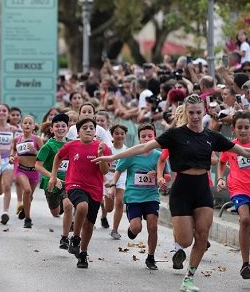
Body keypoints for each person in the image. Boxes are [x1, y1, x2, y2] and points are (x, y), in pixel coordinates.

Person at [93, 94, 250, 291]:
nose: (195, 117)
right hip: (182, 190)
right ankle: (185, 236)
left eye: (198, 113)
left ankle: (189, 278)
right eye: (191, 113)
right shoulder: (175, 135)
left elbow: (244, 151)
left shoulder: (212, 137)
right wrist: (112, 156)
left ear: (204, 112)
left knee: (202, 236)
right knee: (185, 240)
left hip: (202, 190)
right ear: (185, 112)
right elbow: (143, 146)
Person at [48, 118, 111, 269]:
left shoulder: (102, 147)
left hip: (95, 189)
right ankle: (75, 238)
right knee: (82, 207)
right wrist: (53, 176)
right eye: (85, 128)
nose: (88, 130)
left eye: (91, 128)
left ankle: (83, 254)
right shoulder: (71, 145)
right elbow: (58, 157)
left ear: (95, 132)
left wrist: (101, 157)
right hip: (74, 185)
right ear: (78, 131)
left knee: (89, 225)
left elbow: (105, 171)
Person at [112, 123, 166, 270]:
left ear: (155, 137)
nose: (147, 139)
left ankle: (151, 257)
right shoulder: (132, 153)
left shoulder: (159, 156)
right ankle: (131, 230)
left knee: (153, 226)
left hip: (151, 196)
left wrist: (159, 177)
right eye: (143, 136)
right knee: (136, 227)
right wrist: (113, 184)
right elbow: (119, 169)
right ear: (139, 138)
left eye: (150, 136)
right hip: (134, 197)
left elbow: (167, 175)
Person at [217, 111, 250, 279]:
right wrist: (221, 178)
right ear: (233, 128)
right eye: (240, 127)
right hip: (239, 189)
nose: (243, 131)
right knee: (245, 220)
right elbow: (221, 163)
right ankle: (246, 263)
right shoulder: (230, 147)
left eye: (246, 127)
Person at [36, 113, 73, 249]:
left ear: (67, 128)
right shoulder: (48, 146)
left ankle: (64, 238)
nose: (60, 128)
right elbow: (38, 165)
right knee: (55, 212)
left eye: (63, 126)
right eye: (57, 126)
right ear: (52, 129)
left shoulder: (72, 144)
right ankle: (63, 207)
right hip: (50, 182)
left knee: (69, 206)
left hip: (68, 182)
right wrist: (53, 176)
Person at [10, 115, 43, 228]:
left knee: (29, 196)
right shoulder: (17, 139)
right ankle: (28, 219)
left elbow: (44, 156)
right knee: (27, 191)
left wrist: (34, 151)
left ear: (34, 126)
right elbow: (13, 150)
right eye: (25, 123)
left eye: (30, 123)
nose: (27, 125)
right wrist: (11, 157)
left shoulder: (37, 139)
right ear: (21, 126)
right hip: (21, 170)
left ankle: (25, 209)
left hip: (34, 171)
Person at [0, 104, 18, 225]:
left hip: (8, 161)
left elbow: (16, 146)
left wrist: (14, 156)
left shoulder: (13, 129)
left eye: (4, 110)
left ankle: (5, 212)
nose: (1, 112)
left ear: (8, 113)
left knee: (7, 186)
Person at [104, 124, 128, 238]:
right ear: (112, 135)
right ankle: (103, 211)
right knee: (109, 208)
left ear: (125, 135)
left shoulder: (127, 150)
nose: (119, 136)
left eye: (122, 133)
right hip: (108, 177)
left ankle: (114, 230)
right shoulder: (108, 149)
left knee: (120, 202)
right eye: (117, 133)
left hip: (121, 178)